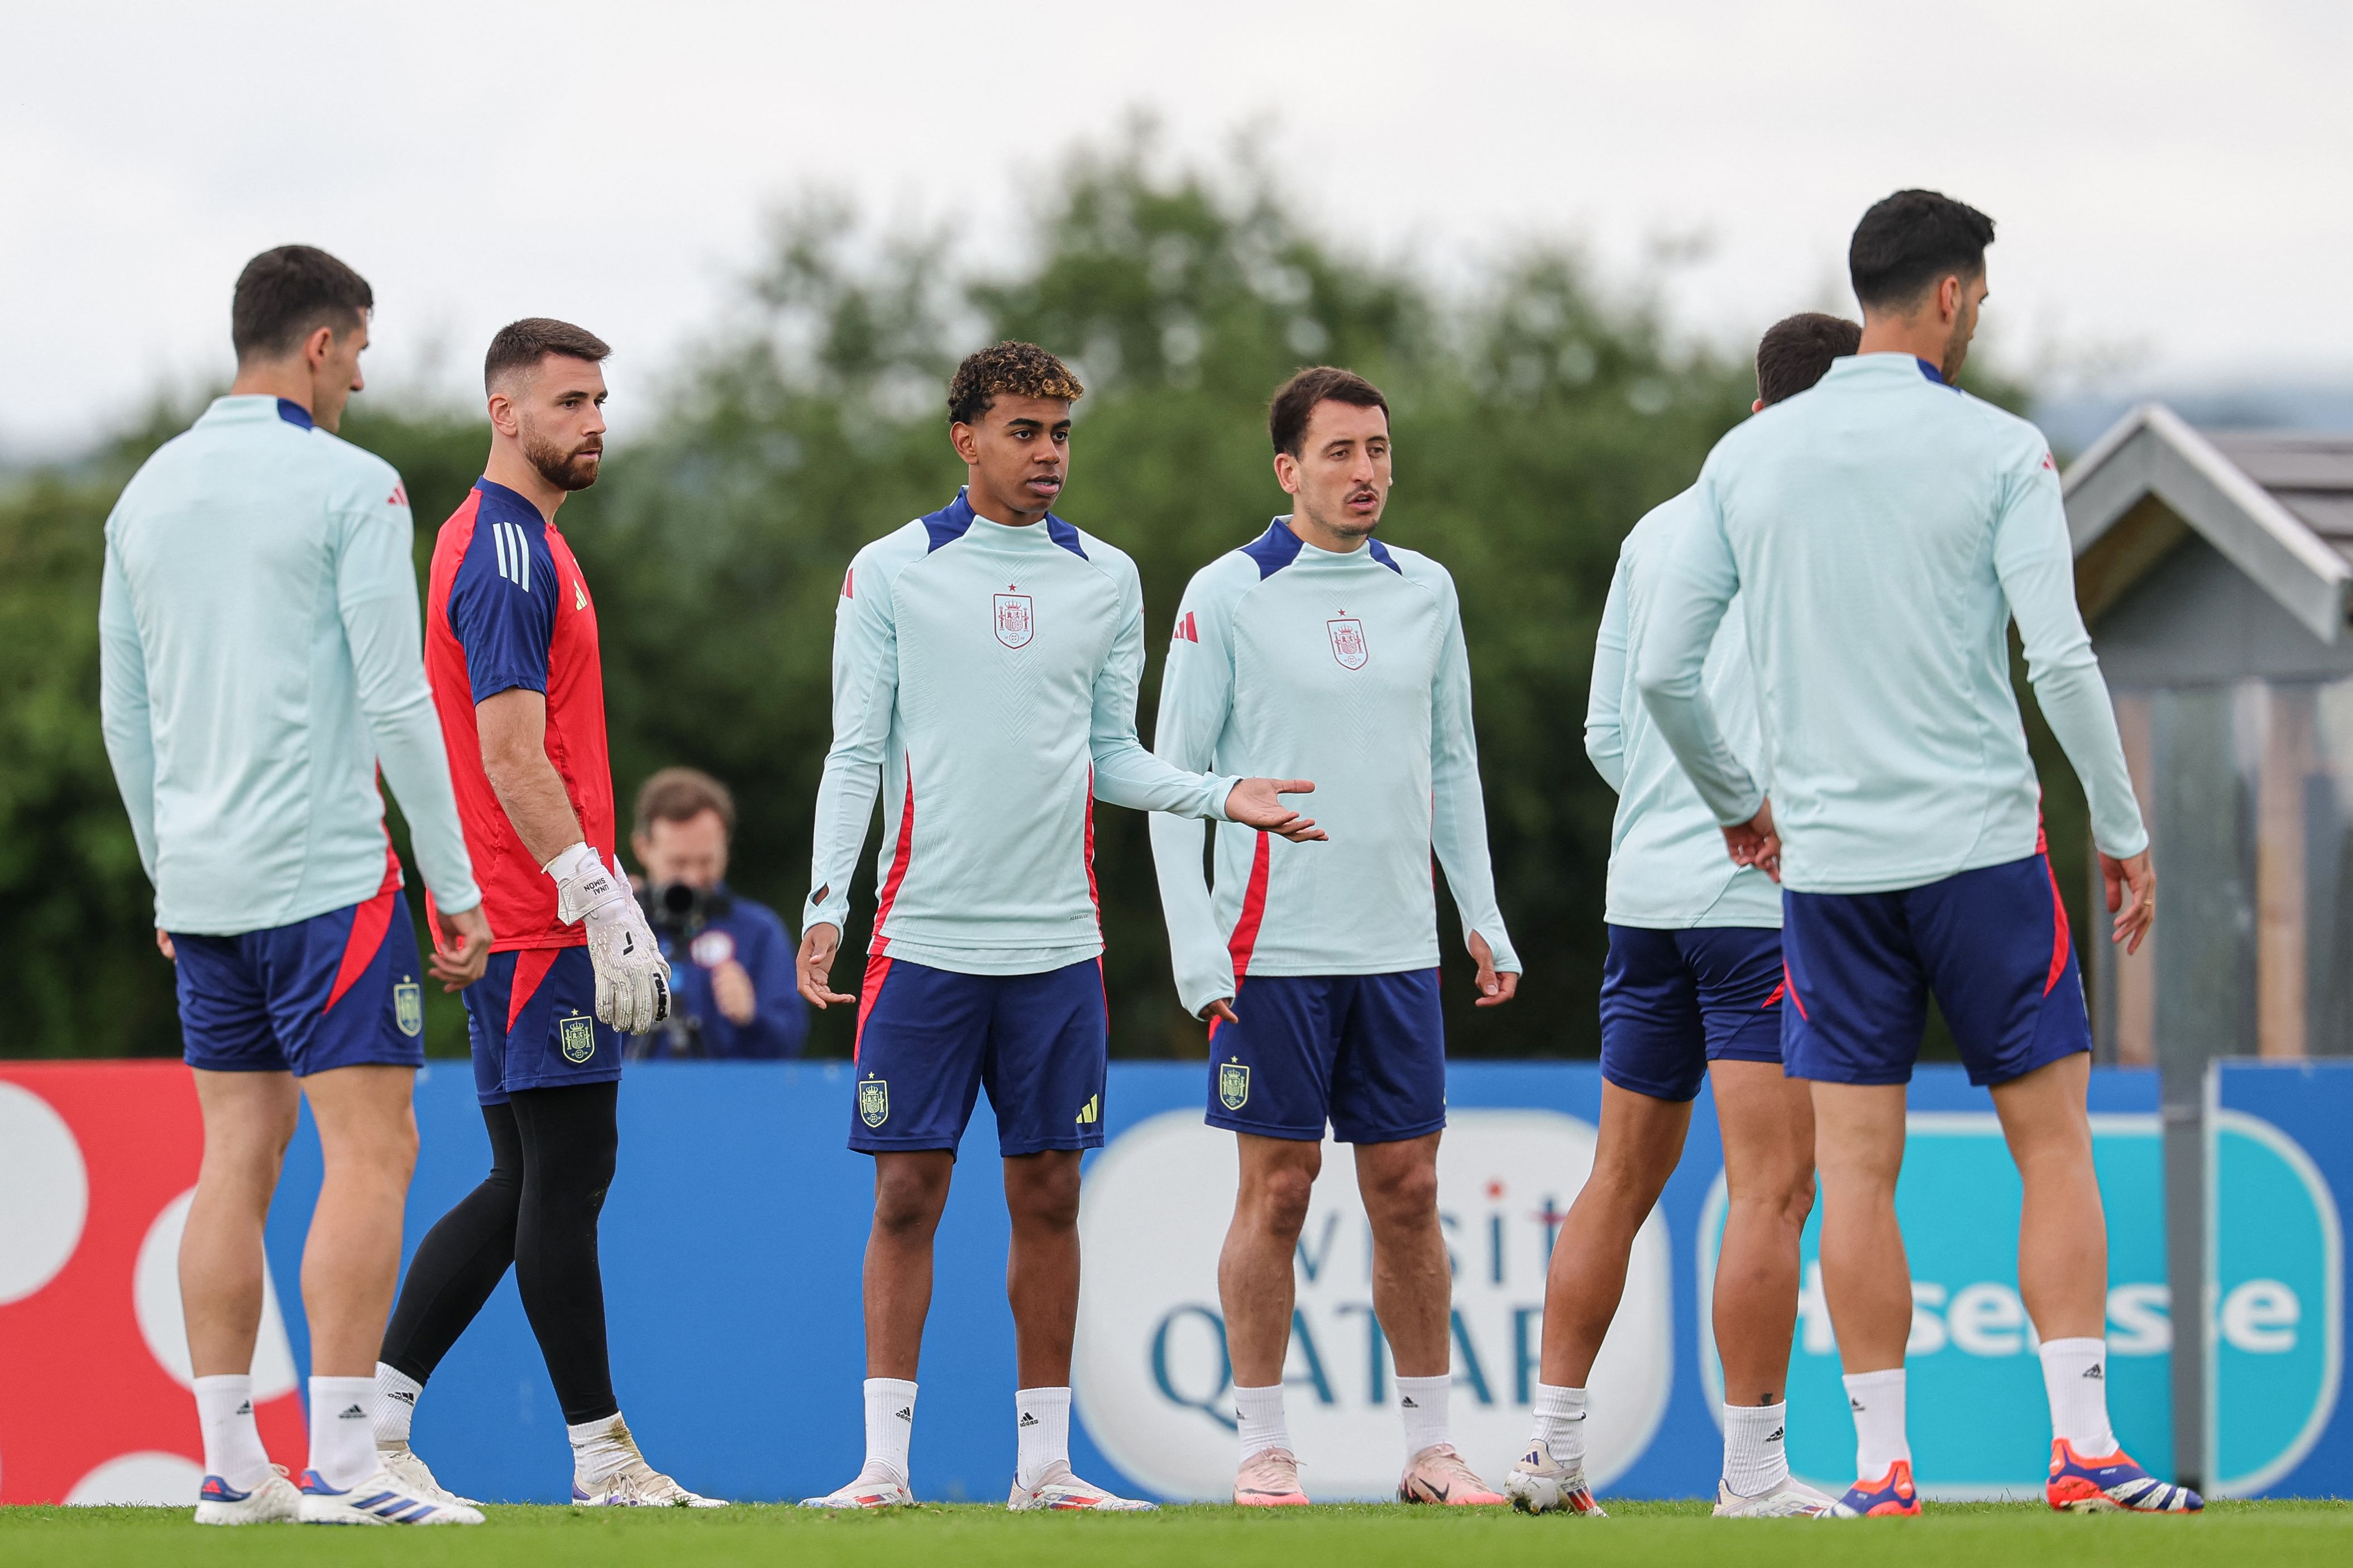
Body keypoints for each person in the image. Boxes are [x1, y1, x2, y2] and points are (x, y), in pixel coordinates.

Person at [1638, 190, 2197, 1517]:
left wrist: (1737, 800)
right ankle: (2084, 1452)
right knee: (2053, 1145)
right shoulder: (2000, 449)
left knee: (1858, 1171)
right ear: (1950, 297)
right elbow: (2056, 656)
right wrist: (2122, 828)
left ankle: (1885, 1470)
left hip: (1828, 870)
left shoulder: (1747, 458)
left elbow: (1666, 669)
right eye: (1984, 297)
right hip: (1985, 853)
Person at [795, 341, 1327, 1512]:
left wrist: (1214, 791)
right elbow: (854, 750)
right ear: (966, 439)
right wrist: (828, 897)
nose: (1048, 455)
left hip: (1059, 949)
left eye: (1061, 433)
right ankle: (884, 1467)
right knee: (905, 1196)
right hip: (922, 940)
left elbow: (1113, 756)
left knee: (1047, 1197)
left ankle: (1044, 1467)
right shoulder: (889, 571)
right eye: (1025, 432)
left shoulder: (1106, 576)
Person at [99, 245, 491, 1526]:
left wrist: (169, 874)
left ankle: (229, 1465)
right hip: (329, 880)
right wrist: (455, 879)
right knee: (373, 1153)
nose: (363, 381)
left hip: (204, 890)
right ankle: (344, 1463)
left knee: (235, 1158)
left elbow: (127, 716)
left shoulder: (144, 497)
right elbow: (396, 696)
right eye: (363, 354)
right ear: (321, 344)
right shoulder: (356, 485)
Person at [1146, 367, 1520, 1508]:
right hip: (1267, 947)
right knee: (1281, 1190)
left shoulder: (1427, 590)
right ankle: (1264, 1445)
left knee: (1407, 1188)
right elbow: (1171, 781)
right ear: (1287, 469)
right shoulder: (1226, 592)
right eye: (1342, 452)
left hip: (1396, 946)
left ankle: (1430, 1448)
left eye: (1379, 450)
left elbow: (1451, 760)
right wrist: (1197, 952)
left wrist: (1480, 915)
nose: (1367, 473)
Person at [1506, 314, 1859, 1523]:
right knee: (1772, 1189)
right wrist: (1746, 815)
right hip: (1759, 908)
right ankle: (1753, 1475)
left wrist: (1676, 813)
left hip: (1642, 901)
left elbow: (1612, 732)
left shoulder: (1659, 527)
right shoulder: (1818, 530)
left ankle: (1551, 1452)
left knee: (1617, 1179)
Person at [367, 319, 722, 1509]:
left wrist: (598, 885)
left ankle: (380, 1422)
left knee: (526, 1176)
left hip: (528, 906)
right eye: (570, 402)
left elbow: (531, 749)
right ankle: (602, 1457)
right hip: (534, 916)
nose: (595, 422)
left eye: (601, 401)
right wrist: (594, 897)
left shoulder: (521, 543)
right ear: (504, 413)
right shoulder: (506, 551)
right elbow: (511, 755)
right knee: (564, 1176)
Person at [628, 768, 807, 1058]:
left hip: (730, 1100)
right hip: (630, 1101)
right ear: (643, 848)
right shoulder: (617, 930)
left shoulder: (759, 931)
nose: (694, 878)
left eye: (707, 861)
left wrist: (752, 1019)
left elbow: (789, 1046)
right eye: (679, 863)